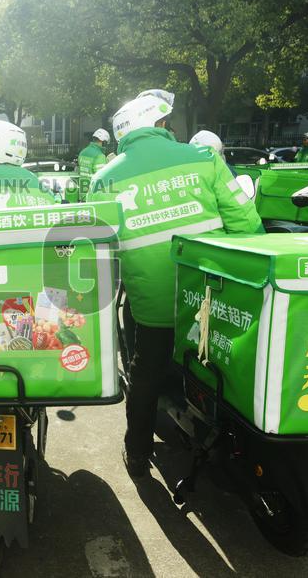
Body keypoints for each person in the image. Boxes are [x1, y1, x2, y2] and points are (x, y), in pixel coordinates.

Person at [88, 94, 263, 478]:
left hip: (152, 306)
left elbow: (100, 251)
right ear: (162, 126)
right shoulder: (204, 158)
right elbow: (247, 226)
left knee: (144, 372)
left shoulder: (104, 179)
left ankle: (136, 454)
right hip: (214, 300)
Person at [77, 128, 110, 200]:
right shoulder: (100, 155)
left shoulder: (82, 152)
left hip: (82, 193)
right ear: (103, 141)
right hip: (93, 195)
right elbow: (102, 177)